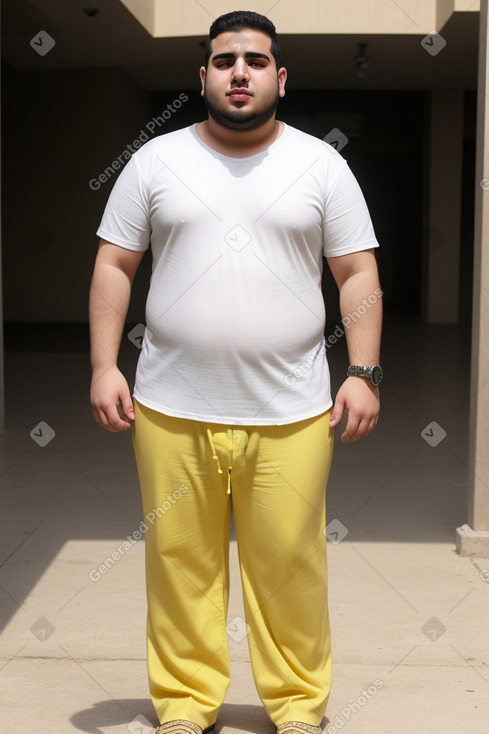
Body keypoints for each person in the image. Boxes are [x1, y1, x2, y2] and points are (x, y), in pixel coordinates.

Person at [89, 10, 382, 734]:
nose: (239, 72)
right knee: (180, 566)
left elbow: (355, 273)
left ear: (279, 77)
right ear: (203, 77)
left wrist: (364, 370)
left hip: (292, 413)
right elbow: (114, 265)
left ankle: (296, 707)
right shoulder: (155, 161)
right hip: (168, 407)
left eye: (254, 61)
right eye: (224, 61)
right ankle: (186, 706)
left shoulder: (321, 165)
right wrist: (104, 365)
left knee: (289, 570)